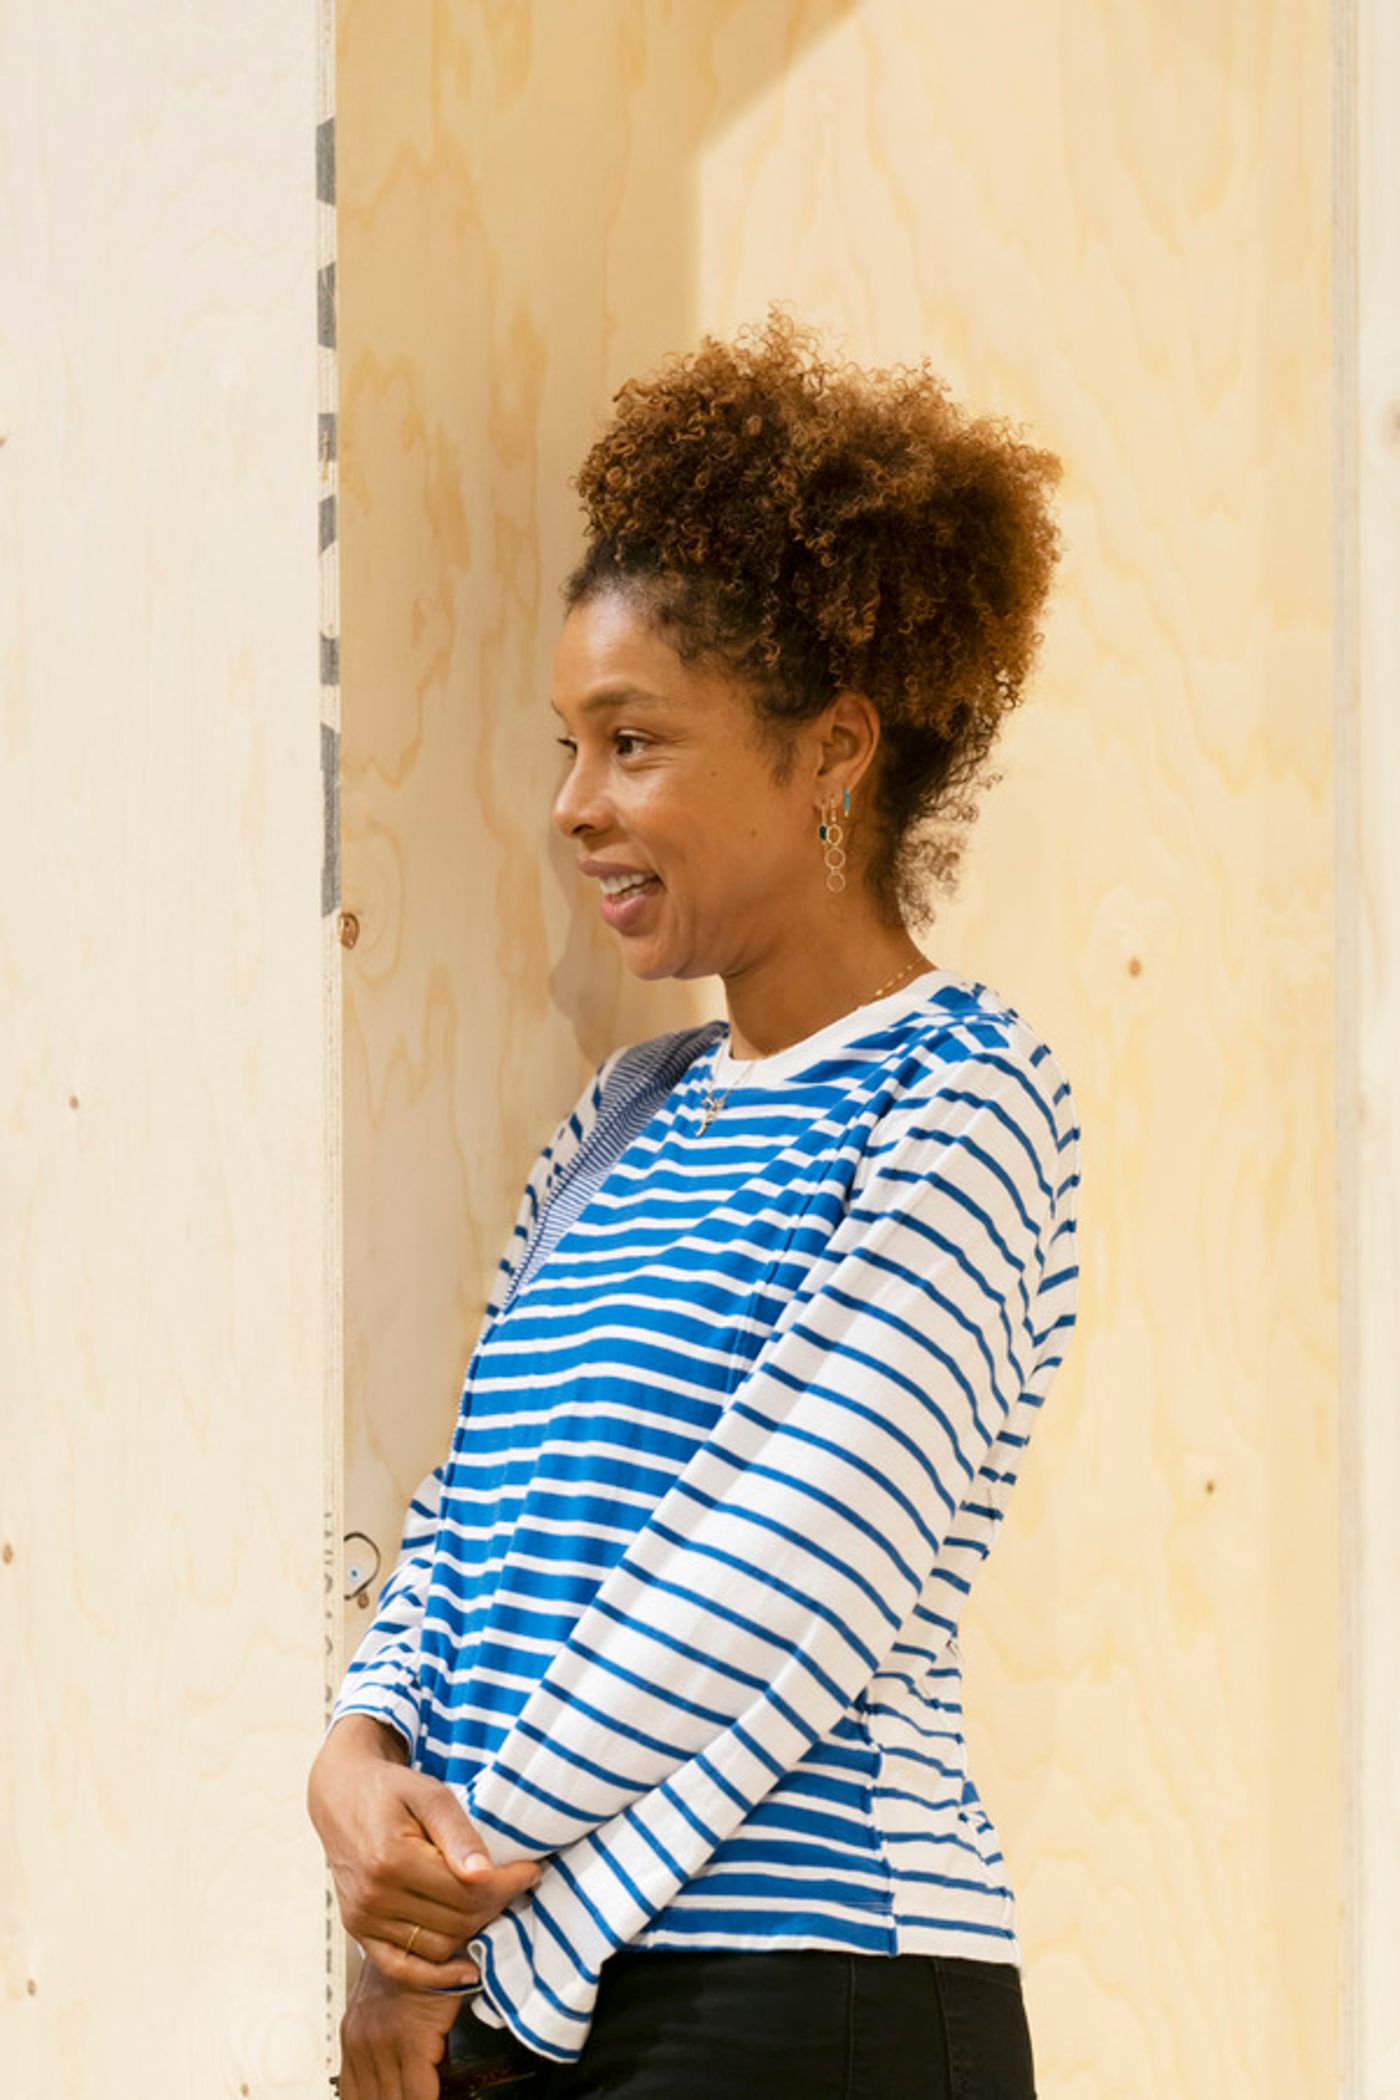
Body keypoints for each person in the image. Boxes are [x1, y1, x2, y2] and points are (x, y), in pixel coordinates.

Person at [308, 307, 1081, 2100]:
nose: (576, 806)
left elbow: (785, 1566)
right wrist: (352, 1759)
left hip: (812, 1993)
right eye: (567, 745)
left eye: (634, 740)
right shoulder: (621, 1114)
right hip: (532, 2002)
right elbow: (477, 1510)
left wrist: (449, 1912)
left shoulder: (962, 1094)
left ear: (834, 751)